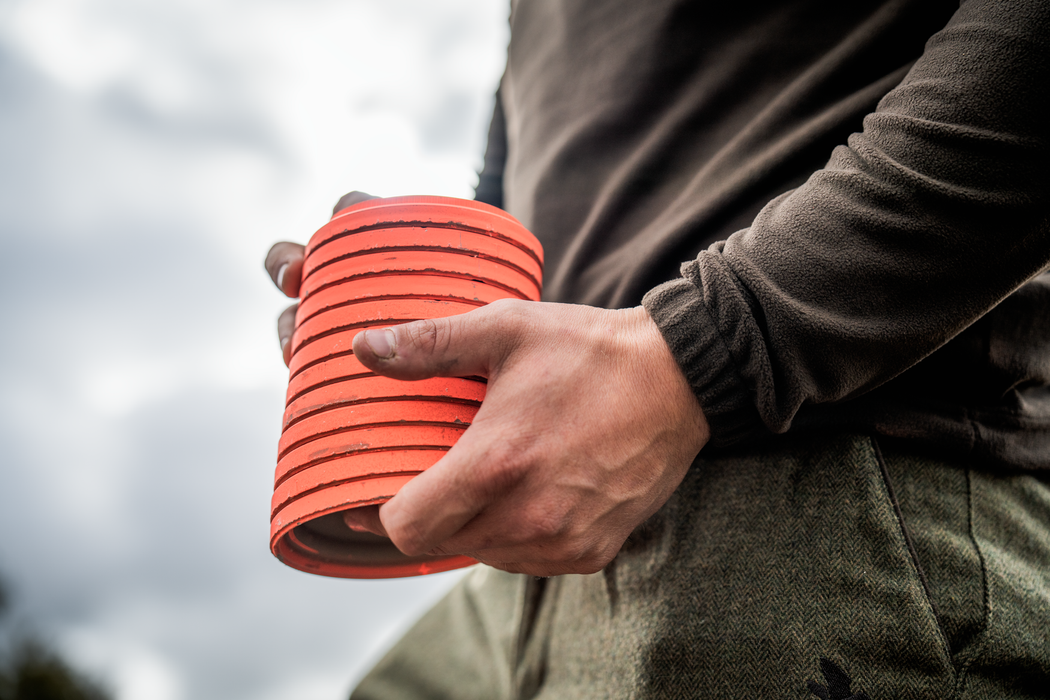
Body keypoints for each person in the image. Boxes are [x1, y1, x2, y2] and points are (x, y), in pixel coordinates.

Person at [265, 0, 1050, 696]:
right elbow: (526, 193)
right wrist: (415, 294)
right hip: (548, 536)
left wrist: (700, 353)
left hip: (823, 486)